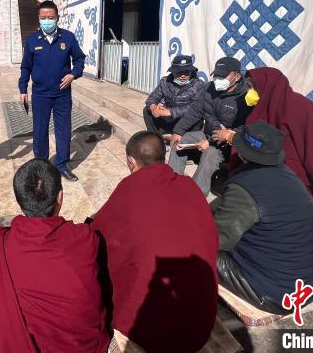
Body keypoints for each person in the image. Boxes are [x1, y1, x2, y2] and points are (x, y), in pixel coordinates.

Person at [0, 158, 110, 353]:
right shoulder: (84, 237)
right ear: (60, 196)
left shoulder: (0, 244)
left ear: (20, 201)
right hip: (80, 346)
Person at [91, 132, 218, 353]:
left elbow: (96, 236)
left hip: (152, 330)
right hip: (202, 320)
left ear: (131, 161)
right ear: (163, 156)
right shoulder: (189, 186)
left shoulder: (129, 189)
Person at [213, 122, 313, 314]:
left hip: (274, 293)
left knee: (192, 248)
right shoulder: (290, 177)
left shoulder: (243, 188)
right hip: (309, 284)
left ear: (242, 152)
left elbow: (217, 240)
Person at [230, 67, 313, 211]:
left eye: (254, 87)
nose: (250, 92)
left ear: (268, 87)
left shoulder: (298, 109)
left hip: (312, 166)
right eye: (250, 86)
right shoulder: (268, 105)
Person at [19, 1, 86, 182]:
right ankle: (41, 166)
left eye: (50, 18)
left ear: (57, 18)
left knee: (63, 130)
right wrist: (23, 88)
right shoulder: (32, 40)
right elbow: (26, 67)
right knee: (40, 130)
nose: (47, 21)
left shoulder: (68, 38)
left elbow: (80, 60)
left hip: (62, 94)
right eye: (43, 18)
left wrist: (73, 74)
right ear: (39, 19)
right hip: (40, 94)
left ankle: (62, 164)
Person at [169, 56, 254, 195]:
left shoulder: (246, 97)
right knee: (182, 139)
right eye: (216, 75)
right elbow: (195, 111)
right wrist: (178, 131)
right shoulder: (209, 88)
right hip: (208, 134)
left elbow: (243, 128)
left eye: (223, 75)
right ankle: (172, 184)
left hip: (228, 144)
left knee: (210, 153)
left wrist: (210, 142)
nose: (218, 79)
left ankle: (196, 196)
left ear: (237, 76)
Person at [143, 54, 206, 137]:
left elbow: (195, 107)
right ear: (173, 71)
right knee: (147, 111)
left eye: (187, 72)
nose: (183, 76)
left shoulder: (199, 85)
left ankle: (185, 139)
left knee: (196, 120)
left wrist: (170, 112)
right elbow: (152, 98)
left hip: (185, 120)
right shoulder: (165, 81)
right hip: (169, 119)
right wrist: (154, 107)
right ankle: (155, 139)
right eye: (179, 72)